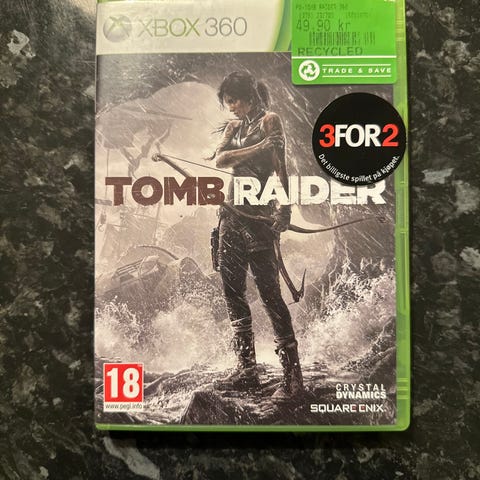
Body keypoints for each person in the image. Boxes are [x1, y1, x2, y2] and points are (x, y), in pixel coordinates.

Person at [212, 71, 303, 402]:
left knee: (270, 295)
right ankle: (247, 369)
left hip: (259, 218)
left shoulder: (270, 121)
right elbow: (221, 159)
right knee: (232, 291)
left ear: (249, 97)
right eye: (228, 102)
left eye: (234, 101)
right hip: (230, 217)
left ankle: (293, 376)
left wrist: (285, 210)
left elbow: (281, 168)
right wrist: (259, 147)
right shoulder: (234, 128)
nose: (231, 107)